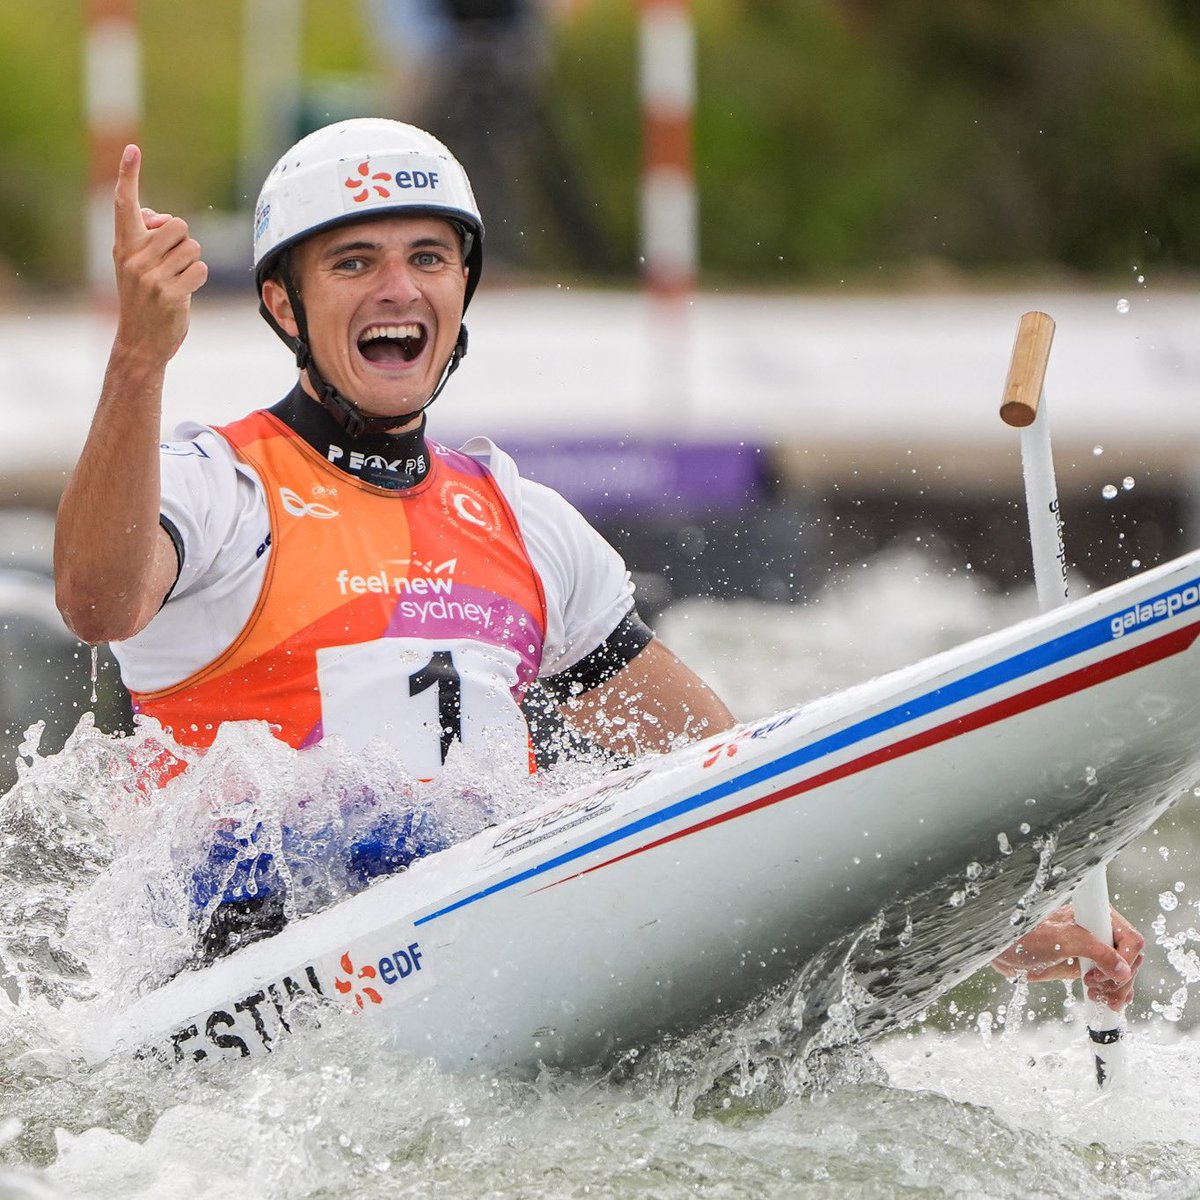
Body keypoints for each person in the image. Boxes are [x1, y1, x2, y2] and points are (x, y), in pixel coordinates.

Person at [54, 119, 1143, 1004]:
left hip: (481, 949)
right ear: (285, 305)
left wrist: (981, 917)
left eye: (429, 258)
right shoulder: (216, 482)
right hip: (246, 974)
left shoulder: (526, 524)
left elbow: (733, 775)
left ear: (463, 293)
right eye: (355, 263)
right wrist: (139, 359)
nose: (400, 289)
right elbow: (98, 602)